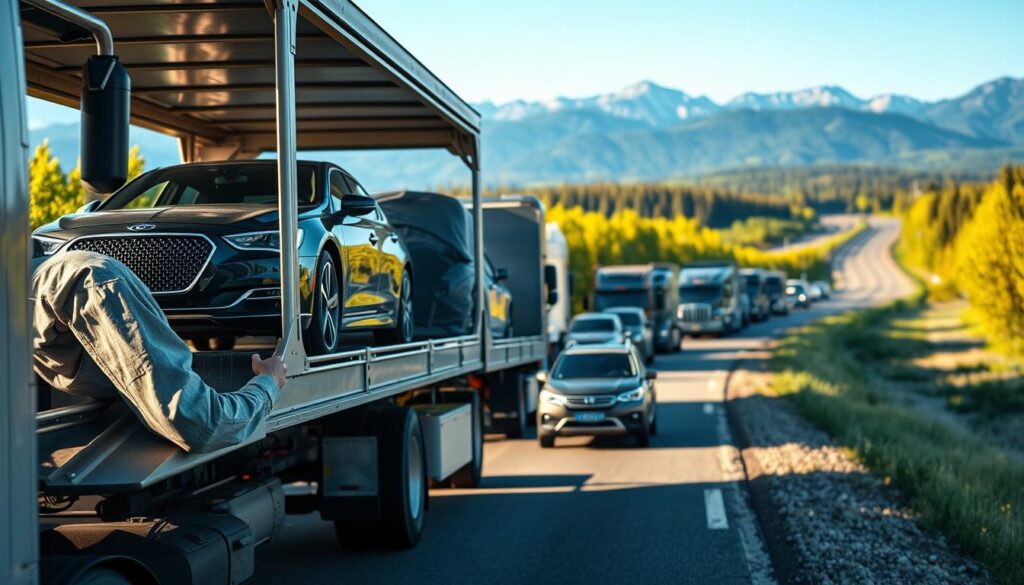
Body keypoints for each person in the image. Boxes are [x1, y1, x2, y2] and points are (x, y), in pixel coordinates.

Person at [32, 250, 286, 453]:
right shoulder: (80, 286)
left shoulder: (88, 286)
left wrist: (267, 384)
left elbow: (199, 424)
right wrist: (268, 382)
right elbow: (205, 425)